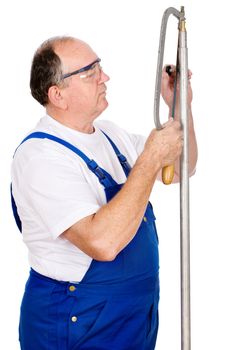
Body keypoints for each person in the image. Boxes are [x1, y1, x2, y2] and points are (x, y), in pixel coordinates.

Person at [11, 36, 197, 350]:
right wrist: (150, 157)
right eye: (90, 72)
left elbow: (182, 167)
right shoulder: (40, 157)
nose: (104, 77)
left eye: (100, 67)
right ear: (58, 94)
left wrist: (180, 106)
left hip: (133, 315)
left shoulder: (111, 135)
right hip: (78, 320)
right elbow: (103, 243)